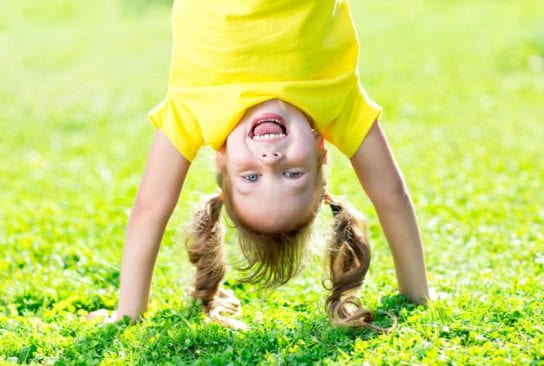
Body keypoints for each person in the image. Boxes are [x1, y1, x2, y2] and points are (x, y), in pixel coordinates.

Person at [89, 0, 429, 330]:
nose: (271, 160)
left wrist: (128, 312)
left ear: (222, 159)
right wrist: (416, 294)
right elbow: (391, 193)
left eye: (250, 177)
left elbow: (150, 208)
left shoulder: (195, 113)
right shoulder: (336, 103)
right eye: (293, 174)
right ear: (319, 150)